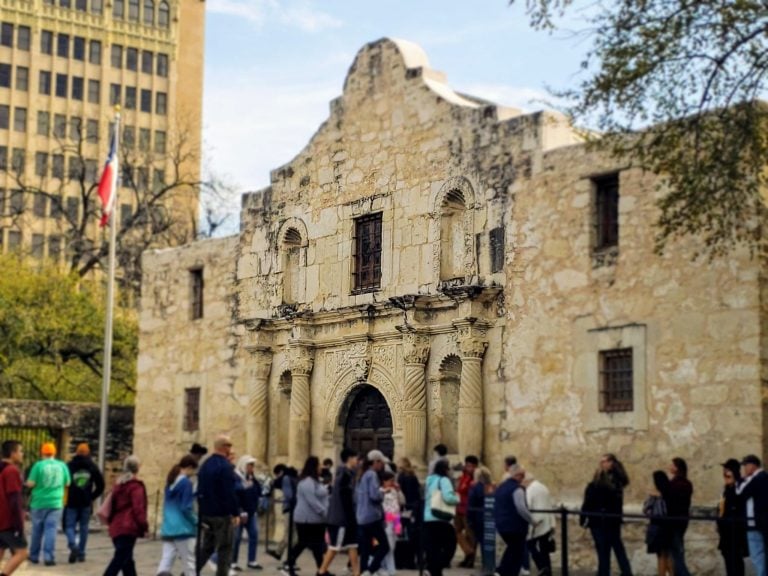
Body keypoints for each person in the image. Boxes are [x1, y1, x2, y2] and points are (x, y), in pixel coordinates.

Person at [579, 453, 633, 576]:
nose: (601, 464)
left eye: (604, 461)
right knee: (612, 549)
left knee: (606, 551)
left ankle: (609, 573)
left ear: (611, 463)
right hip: (608, 520)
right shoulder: (613, 481)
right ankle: (622, 572)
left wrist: (583, 517)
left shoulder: (608, 482)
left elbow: (590, 501)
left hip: (603, 520)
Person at [196, 434, 241, 576]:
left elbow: (200, 489)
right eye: (229, 445)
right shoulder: (225, 466)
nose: (231, 448)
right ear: (224, 447)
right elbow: (229, 492)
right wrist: (235, 513)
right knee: (225, 549)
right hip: (222, 515)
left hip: (207, 513)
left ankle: (189, 572)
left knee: (207, 548)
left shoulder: (205, 464)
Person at [26, 442, 71, 566]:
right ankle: (48, 557)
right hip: (56, 502)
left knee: (37, 529)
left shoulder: (38, 466)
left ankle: (34, 556)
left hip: (39, 502)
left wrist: (27, 484)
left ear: (42, 453)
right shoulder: (62, 465)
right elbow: (68, 483)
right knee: (51, 529)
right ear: (54, 453)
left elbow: (31, 483)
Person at [104, 455, 148, 576]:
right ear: (138, 468)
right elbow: (138, 508)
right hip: (128, 527)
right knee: (120, 559)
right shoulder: (135, 487)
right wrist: (144, 526)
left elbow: (112, 506)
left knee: (127, 560)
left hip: (116, 526)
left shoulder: (118, 485)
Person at [284, 456, 328, 576]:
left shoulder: (316, 481)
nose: (321, 467)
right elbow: (312, 501)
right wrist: (324, 512)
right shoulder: (307, 482)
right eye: (319, 465)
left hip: (316, 519)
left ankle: (321, 570)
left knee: (316, 545)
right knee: (304, 543)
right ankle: (289, 563)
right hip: (306, 519)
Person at [319, 448, 360, 576]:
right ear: (350, 458)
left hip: (346, 518)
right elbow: (344, 498)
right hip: (340, 518)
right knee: (334, 547)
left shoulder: (348, 473)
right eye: (356, 458)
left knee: (353, 545)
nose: (357, 461)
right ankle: (321, 571)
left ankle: (356, 573)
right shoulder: (344, 474)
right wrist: (350, 517)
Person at [156, 455, 198, 576]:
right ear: (189, 467)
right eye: (193, 470)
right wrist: (195, 520)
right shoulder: (186, 483)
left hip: (168, 527)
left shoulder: (170, 483)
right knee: (189, 563)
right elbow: (186, 508)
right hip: (183, 528)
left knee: (166, 561)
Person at [64, 442, 105, 563]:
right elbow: (101, 485)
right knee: (84, 528)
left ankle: (73, 545)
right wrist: (92, 496)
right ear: (88, 453)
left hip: (72, 501)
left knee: (69, 526)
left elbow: (64, 482)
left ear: (76, 452)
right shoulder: (92, 466)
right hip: (86, 502)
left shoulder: (70, 466)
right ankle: (81, 553)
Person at [494, 463, 533, 576]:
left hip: (501, 524)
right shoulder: (517, 489)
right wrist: (532, 521)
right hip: (515, 526)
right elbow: (521, 508)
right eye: (523, 475)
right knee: (516, 550)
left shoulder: (501, 487)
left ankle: (502, 571)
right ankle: (505, 571)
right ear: (519, 475)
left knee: (512, 549)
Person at [356, 450, 389, 576]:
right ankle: (371, 569)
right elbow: (375, 495)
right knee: (385, 546)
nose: (382, 466)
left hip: (361, 517)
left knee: (366, 548)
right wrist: (383, 493)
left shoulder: (362, 475)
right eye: (381, 462)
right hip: (372, 516)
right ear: (376, 461)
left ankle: (364, 571)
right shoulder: (372, 474)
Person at [423, 458, 459, 576]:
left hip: (428, 518)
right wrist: (456, 498)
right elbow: (448, 497)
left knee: (434, 548)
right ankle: (434, 568)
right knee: (451, 545)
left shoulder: (429, 480)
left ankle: (433, 570)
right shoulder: (444, 480)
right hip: (440, 517)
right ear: (445, 469)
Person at [736, 454, 768, 576]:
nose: (744, 469)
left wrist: (741, 481)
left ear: (752, 465)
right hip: (759, 522)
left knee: (757, 555)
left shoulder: (758, 478)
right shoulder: (763, 477)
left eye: (745, 465)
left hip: (756, 522)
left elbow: (742, 494)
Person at [0, 440, 27, 576]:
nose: (22, 454)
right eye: (20, 451)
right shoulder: (11, 471)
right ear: (13, 453)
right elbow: (14, 498)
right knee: (21, 552)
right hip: (8, 520)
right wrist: (18, 524)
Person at [233, 455, 263, 571]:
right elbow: (236, 492)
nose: (252, 468)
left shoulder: (251, 477)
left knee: (254, 535)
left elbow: (257, 490)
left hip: (251, 511)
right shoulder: (236, 476)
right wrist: (240, 511)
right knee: (236, 538)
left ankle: (252, 560)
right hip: (240, 512)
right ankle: (233, 562)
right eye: (250, 465)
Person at [718, 459, 748, 576]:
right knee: (728, 558)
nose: (725, 473)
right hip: (726, 532)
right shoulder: (726, 489)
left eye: (728, 470)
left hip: (735, 531)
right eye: (724, 470)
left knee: (735, 561)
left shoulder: (739, 488)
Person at [525, 471, 555, 576]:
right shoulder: (543, 487)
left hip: (536, 522)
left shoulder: (530, 489)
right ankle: (548, 570)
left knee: (530, 545)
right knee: (544, 549)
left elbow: (527, 505)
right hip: (546, 521)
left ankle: (542, 567)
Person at [643, 470, 673, 576]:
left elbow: (646, 509)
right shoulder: (670, 493)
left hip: (658, 527)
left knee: (661, 556)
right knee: (667, 555)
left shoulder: (657, 496)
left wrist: (653, 498)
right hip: (667, 527)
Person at [666, 457, 693, 576]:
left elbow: (671, 500)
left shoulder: (677, 484)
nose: (670, 466)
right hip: (681, 520)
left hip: (675, 521)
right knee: (677, 550)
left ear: (677, 468)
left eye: (672, 465)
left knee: (676, 552)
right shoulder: (685, 483)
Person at [268, 464, 298, 566]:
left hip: (289, 509)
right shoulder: (294, 477)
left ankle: (288, 557)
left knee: (290, 535)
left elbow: (289, 495)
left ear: (280, 472)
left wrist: (283, 499)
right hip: (296, 509)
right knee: (292, 534)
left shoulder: (285, 478)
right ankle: (281, 554)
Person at [395, 457, 420, 570]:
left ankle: (400, 561)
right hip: (413, 509)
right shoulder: (413, 476)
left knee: (399, 535)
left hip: (403, 509)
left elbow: (401, 494)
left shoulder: (401, 477)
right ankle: (410, 561)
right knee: (411, 536)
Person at [455, 455, 479, 568]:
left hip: (468, 508)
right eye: (467, 465)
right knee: (456, 531)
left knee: (470, 535)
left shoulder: (476, 478)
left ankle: (469, 560)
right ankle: (469, 552)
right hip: (459, 507)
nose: (469, 468)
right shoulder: (463, 476)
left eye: (471, 466)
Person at [467, 466, 493, 566]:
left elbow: (471, 503)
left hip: (477, 517)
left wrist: (469, 518)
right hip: (489, 516)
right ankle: (487, 562)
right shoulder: (491, 487)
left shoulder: (475, 487)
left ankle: (474, 561)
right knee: (486, 541)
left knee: (478, 539)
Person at [381, 471, 404, 576]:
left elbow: (402, 501)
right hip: (387, 518)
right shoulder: (381, 491)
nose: (392, 483)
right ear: (384, 481)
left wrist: (399, 491)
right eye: (390, 480)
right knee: (388, 544)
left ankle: (390, 568)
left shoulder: (394, 490)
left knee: (393, 544)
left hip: (396, 518)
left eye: (393, 480)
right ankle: (387, 568)